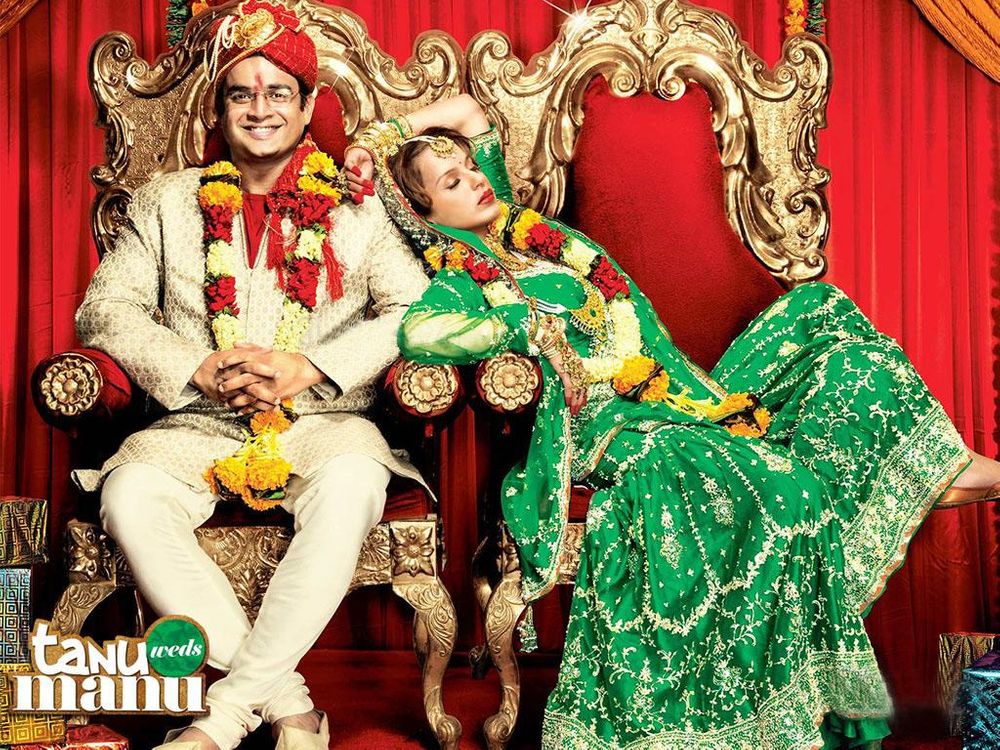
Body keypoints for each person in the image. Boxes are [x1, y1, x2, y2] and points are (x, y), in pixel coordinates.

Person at [344, 94, 1000, 749]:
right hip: (614, 429)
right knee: (790, 488)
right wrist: (526, 325)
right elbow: (420, 333)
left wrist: (376, 140)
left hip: (684, 391)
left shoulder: (522, 228)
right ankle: (768, 705)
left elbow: (465, 111)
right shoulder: (459, 278)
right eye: (451, 182)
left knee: (828, 321)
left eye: (471, 167)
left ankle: (945, 463)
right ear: (425, 213)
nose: (475, 180)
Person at [72, 2, 430, 748]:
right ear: (220, 107)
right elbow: (103, 310)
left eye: (277, 93)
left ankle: (225, 717)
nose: (260, 110)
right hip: (195, 424)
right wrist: (195, 367)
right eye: (242, 94)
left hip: (322, 422)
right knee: (129, 494)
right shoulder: (166, 201)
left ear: (307, 104)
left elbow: (416, 311)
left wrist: (312, 366)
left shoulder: (358, 209)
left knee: (353, 486)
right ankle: (290, 706)